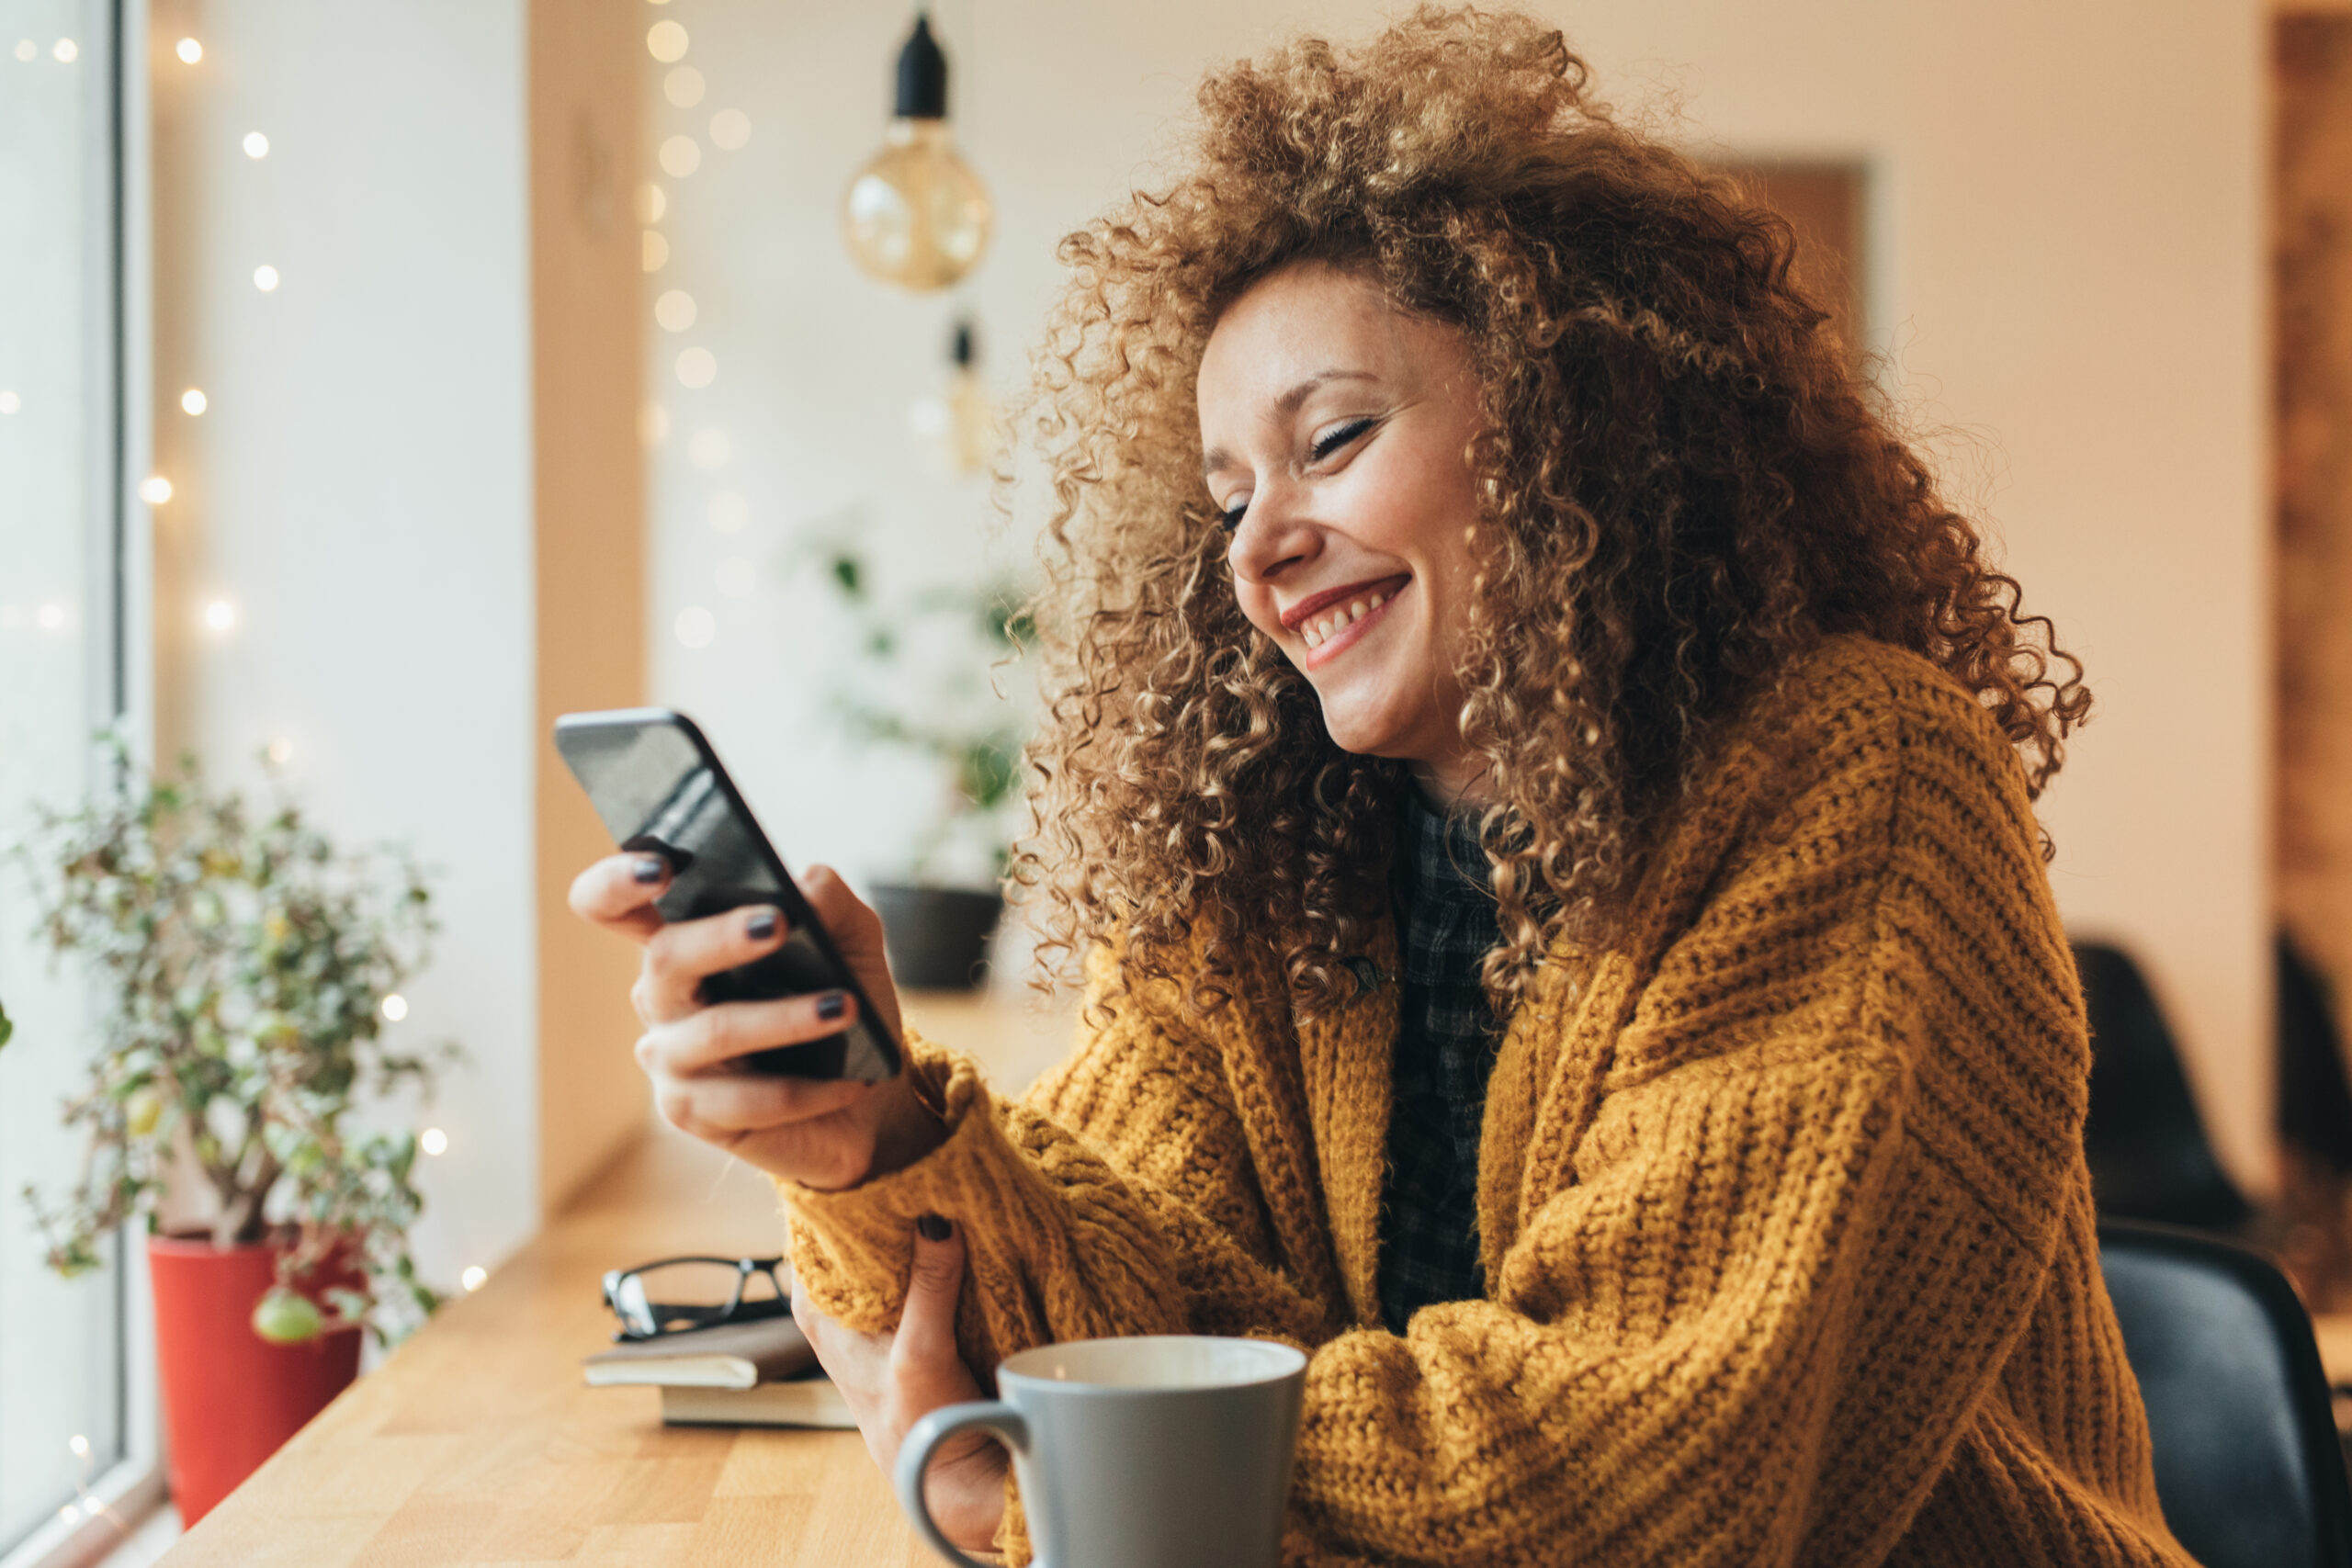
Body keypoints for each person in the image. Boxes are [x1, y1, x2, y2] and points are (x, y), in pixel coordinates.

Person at [572, 9, 2194, 1564]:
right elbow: (1093, 1300)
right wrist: (868, 1136)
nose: (1260, 550)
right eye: (1225, 498)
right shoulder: (1274, 855)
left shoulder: (1854, 777)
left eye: (1332, 439)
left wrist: (1076, 1479)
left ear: (1579, 425)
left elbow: (1647, 1484)